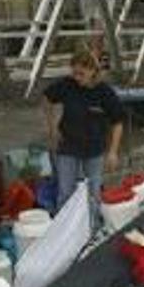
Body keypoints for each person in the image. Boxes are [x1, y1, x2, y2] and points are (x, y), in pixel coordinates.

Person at [43, 47, 125, 228]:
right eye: (74, 73)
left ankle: (93, 227)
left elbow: (118, 122)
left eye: (81, 74)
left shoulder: (104, 92)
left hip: (94, 148)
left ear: (93, 71)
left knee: (93, 192)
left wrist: (113, 152)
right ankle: (62, 229)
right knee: (65, 191)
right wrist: (51, 127)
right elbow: (47, 98)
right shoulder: (66, 84)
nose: (77, 78)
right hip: (68, 145)